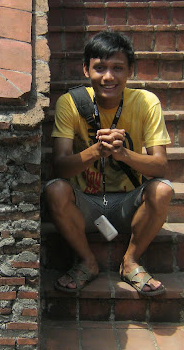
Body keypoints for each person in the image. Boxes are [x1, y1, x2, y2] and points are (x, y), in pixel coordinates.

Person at [44, 30, 174, 296]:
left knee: (163, 189)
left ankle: (131, 261)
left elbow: (160, 166)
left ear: (130, 71)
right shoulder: (70, 103)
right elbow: (59, 166)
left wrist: (123, 154)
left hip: (129, 202)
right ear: (85, 69)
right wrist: (95, 151)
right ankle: (88, 262)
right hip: (86, 203)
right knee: (55, 189)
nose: (108, 77)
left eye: (118, 68)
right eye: (99, 68)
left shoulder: (147, 102)